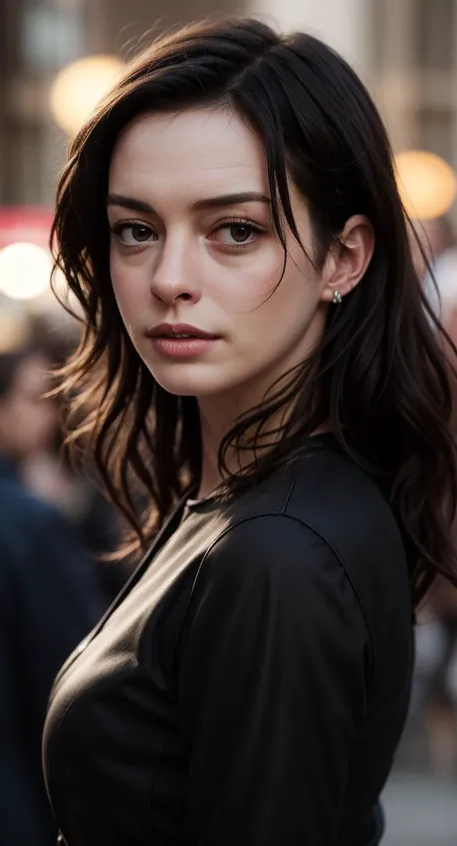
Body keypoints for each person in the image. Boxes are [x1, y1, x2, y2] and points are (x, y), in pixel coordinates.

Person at [42, 18, 457, 846]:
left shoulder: (279, 551)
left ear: (344, 257)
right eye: (137, 229)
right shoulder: (251, 501)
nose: (169, 280)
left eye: (236, 231)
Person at [0, 349, 106, 845]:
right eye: (35, 399)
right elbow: (70, 682)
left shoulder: (33, 511)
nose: (50, 414)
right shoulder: (28, 523)